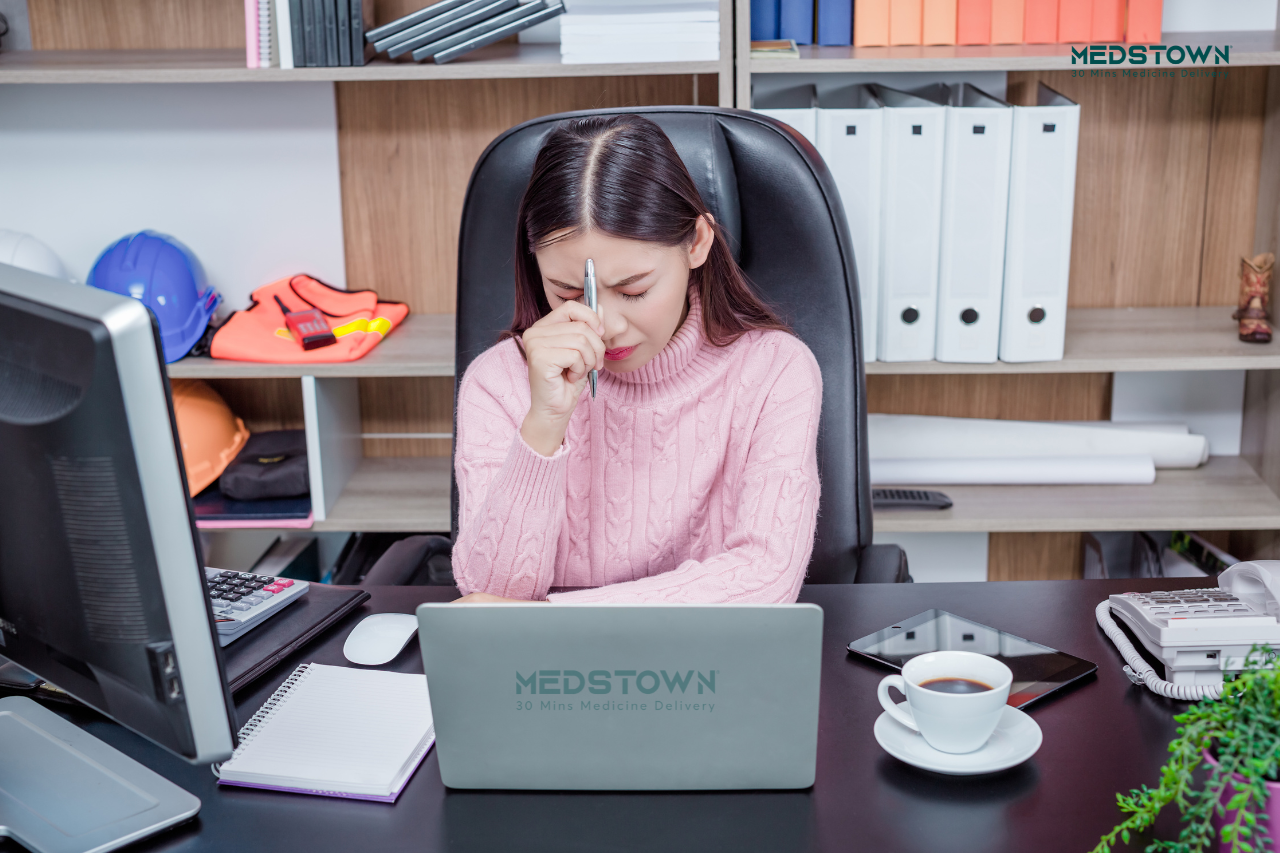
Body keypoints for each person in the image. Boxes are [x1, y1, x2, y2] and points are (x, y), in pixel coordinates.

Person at [452, 113, 822, 604]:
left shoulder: (775, 373)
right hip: (542, 668)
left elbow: (766, 578)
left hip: (700, 662)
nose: (605, 327)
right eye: (568, 293)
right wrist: (544, 424)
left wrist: (552, 618)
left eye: (634, 290)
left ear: (697, 243)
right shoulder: (497, 383)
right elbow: (487, 598)